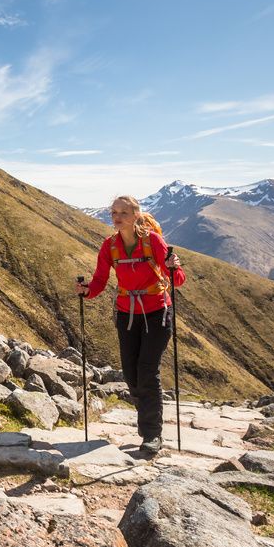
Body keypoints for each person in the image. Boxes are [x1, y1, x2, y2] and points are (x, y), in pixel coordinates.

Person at [75, 194, 184, 455]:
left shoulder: (153, 241)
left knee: (147, 371)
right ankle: (147, 412)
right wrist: (86, 290)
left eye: (123, 213)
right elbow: (100, 280)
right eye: (114, 212)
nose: (117, 217)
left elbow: (177, 279)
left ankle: (151, 434)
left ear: (136, 215)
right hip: (126, 313)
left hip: (158, 312)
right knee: (131, 374)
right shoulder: (109, 246)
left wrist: (173, 267)